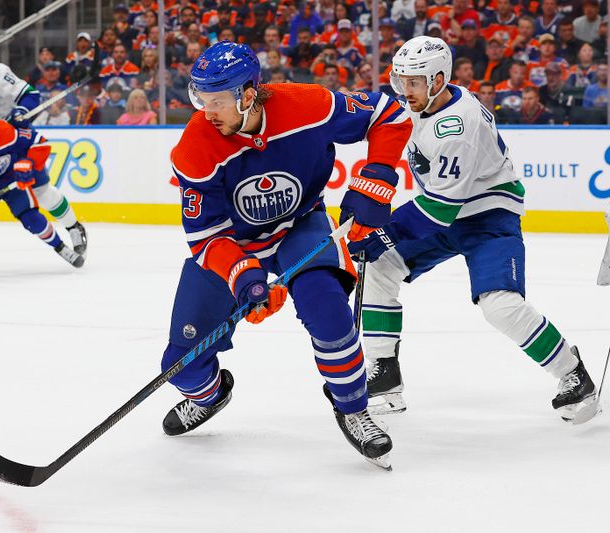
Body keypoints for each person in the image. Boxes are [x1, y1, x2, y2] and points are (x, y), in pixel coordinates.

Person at [160, 41, 411, 468]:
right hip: (234, 247)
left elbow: (389, 114)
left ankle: (353, 409)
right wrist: (243, 274)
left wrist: (379, 175)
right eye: (201, 99)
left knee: (329, 313)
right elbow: (205, 239)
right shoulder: (195, 148)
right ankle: (210, 393)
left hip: (301, 225)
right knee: (181, 363)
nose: (207, 111)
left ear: (247, 93)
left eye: (217, 100)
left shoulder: (308, 105)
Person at [350, 36, 600, 424]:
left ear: (437, 80)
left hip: (487, 216)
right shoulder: (432, 99)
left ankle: (572, 372)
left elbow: (438, 209)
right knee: (382, 266)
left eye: (412, 82)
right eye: (400, 80)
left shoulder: (456, 127)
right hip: (448, 210)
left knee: (499, 305)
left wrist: (383, 231)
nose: (404, 90)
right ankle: (385, 375)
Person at [0, 34, 87, 264]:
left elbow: (31, 95)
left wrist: (20, 112)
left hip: (12, 142)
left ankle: (73, 226)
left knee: (41, 189)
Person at [0, 105, 83, 273]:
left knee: (32, 219)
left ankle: (60, 247)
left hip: (10, 183)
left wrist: (29, 163)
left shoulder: (5, 132)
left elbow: (40, 143)